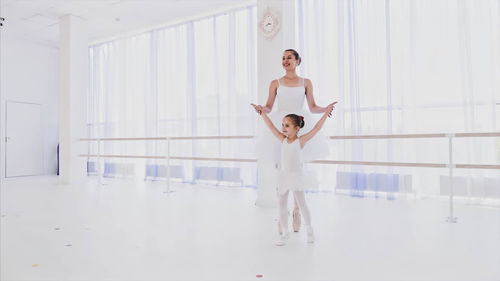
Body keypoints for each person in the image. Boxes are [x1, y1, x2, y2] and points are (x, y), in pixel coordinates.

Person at [251, 49, 337, 233]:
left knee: (298, 167)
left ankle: (297, 211)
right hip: (282, 123)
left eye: (289, 57)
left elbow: (313, 107)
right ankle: (282, 215)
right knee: (280, 167)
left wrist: (326, 109)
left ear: (298, 61)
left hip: (299, 123)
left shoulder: (306, 82)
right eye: (283, 58)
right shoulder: (276, 83)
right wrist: (261, 109)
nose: (285, 60)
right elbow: (269, 106)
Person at [252, 105, 335, 245]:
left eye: (287, 125)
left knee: (302, 204)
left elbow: (316, 129)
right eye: (283, 125)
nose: (283, 128)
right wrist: (262, 113)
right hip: (283, 176)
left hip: (296, 177)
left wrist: (326, 114)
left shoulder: (300, 141)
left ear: (297, 128)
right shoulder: (282, 139)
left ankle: (309, 230)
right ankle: (285, 233)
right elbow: (271, 126)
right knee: (282, 205)